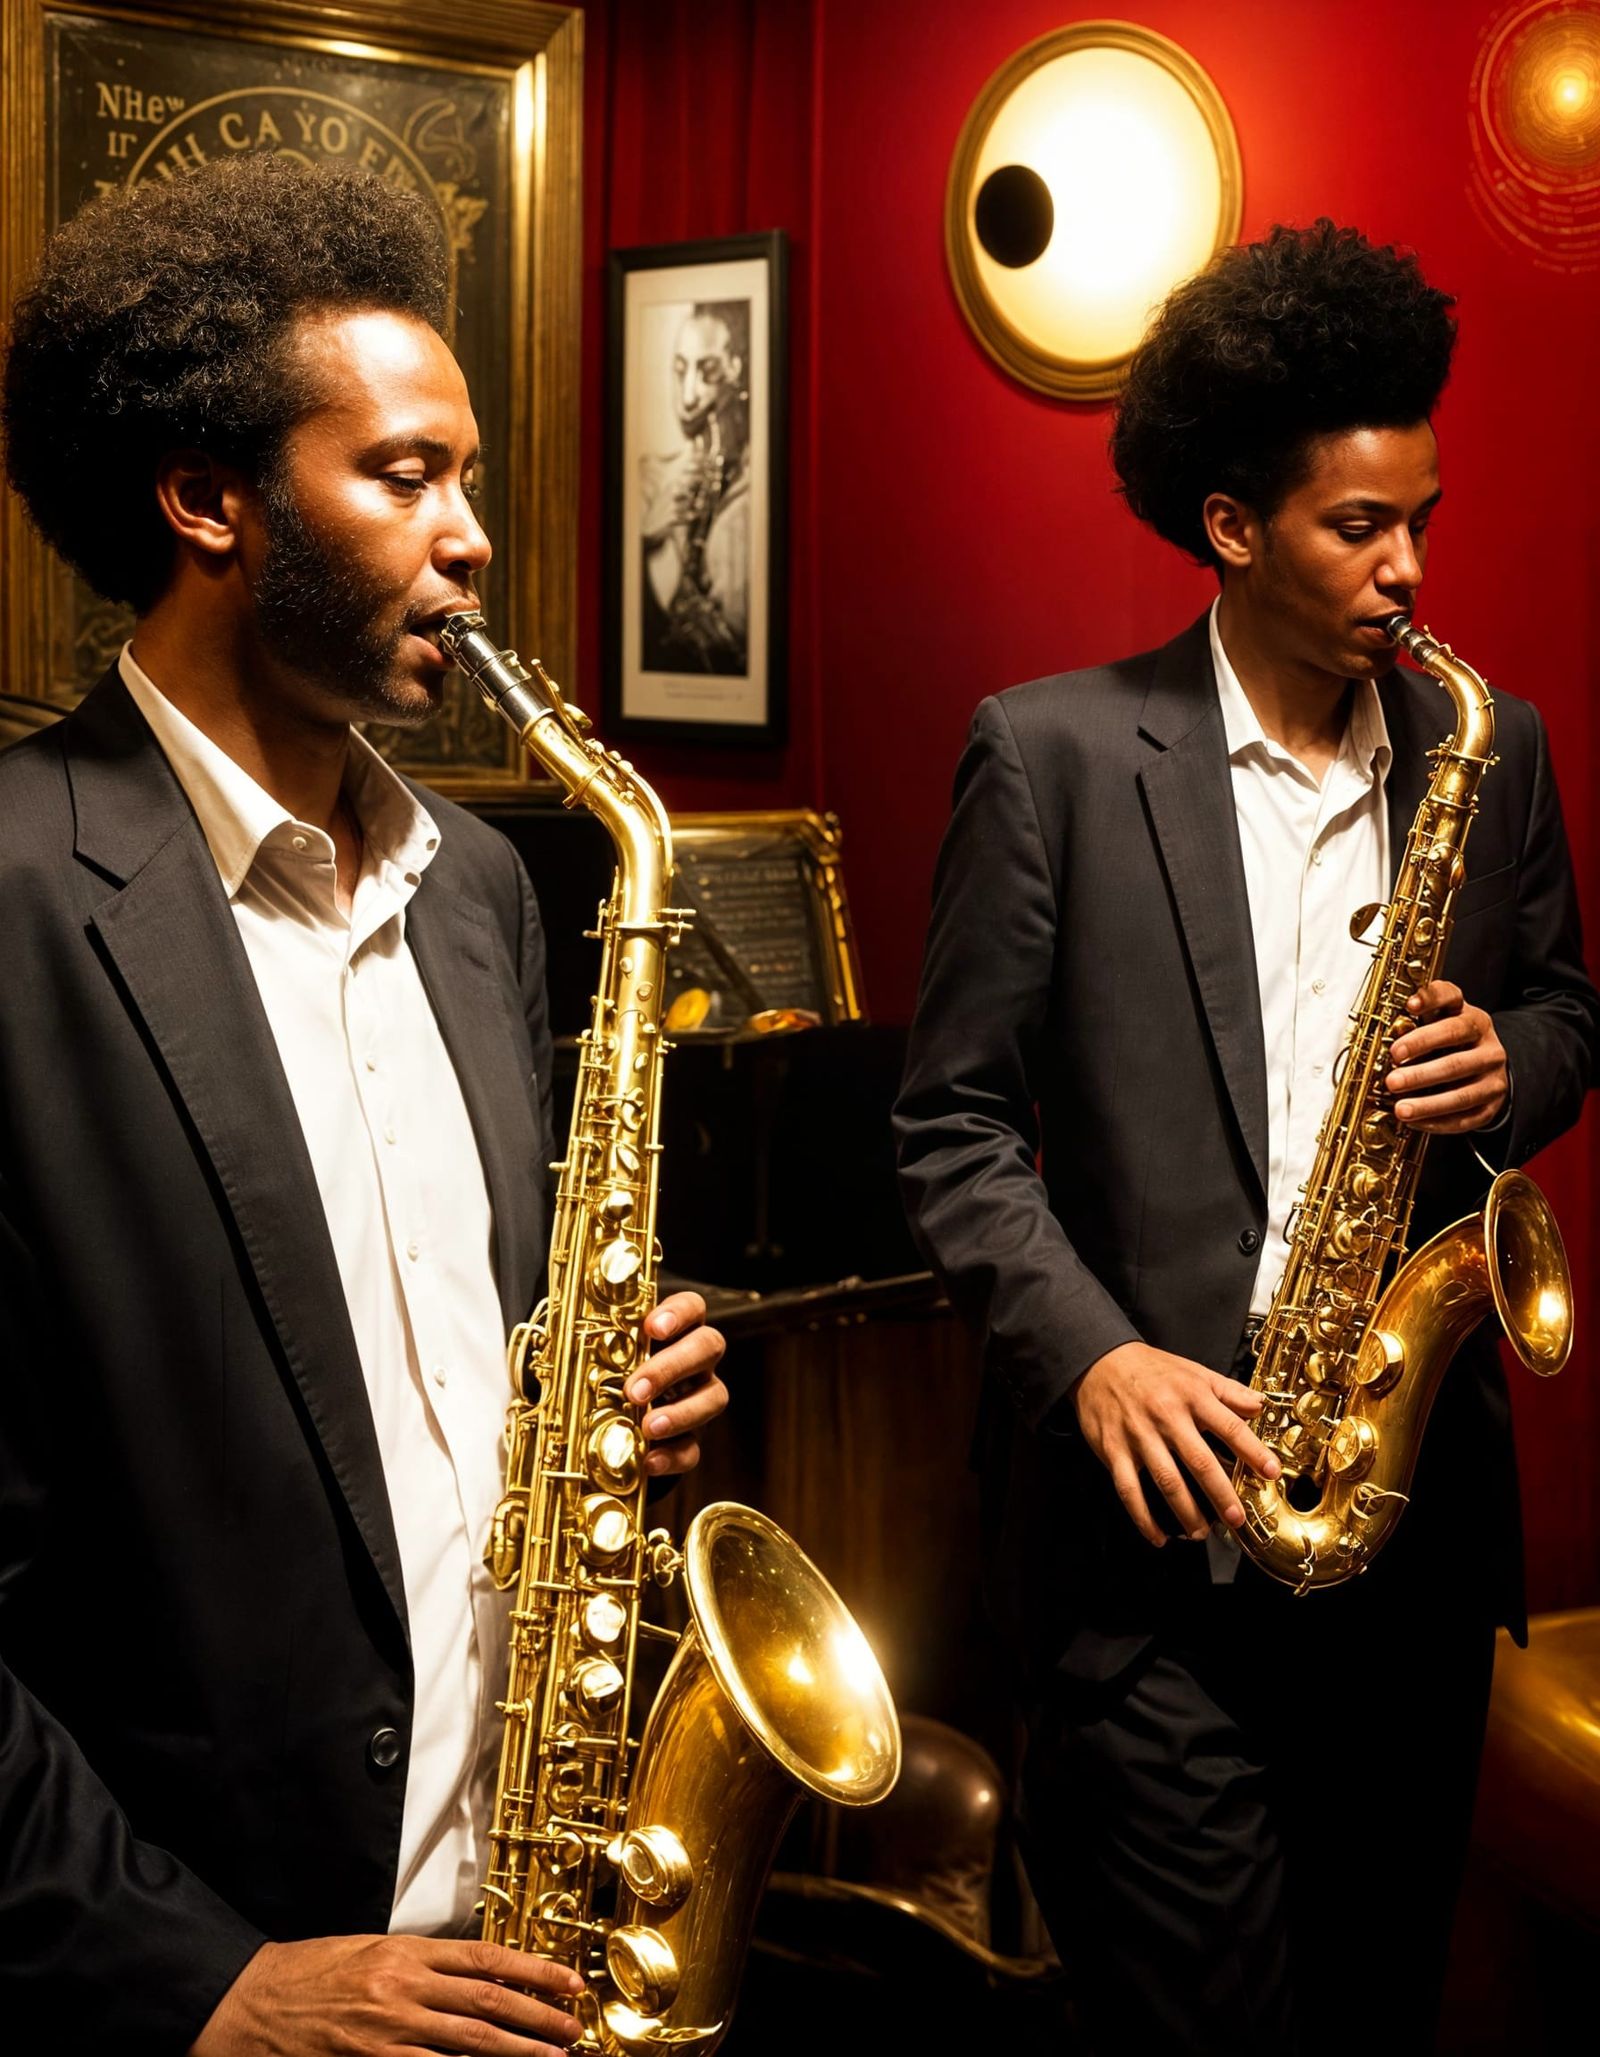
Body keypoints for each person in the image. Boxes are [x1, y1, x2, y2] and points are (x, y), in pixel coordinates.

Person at [0, 154, 729, 2054]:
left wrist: (586, 1396)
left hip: (513, 1924)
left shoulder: (483, 891)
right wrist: (200, 1977)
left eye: (466, 475)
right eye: (402, 475)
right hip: (215, 1977)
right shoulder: (6, 900)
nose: (470, 533)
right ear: (207, 501)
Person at [894, 220, 1597, 2056]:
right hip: (1153, 1558)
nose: (1409, 567)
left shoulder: (1486, 747)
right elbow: (950, 1127)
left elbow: (1573, 1016)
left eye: (1420, 516)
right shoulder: (1046, 757)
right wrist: (1099, 1355)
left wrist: (1503, 1065)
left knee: (1376, 2010)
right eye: (1358, 527)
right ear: (1229, 526)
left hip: (1406, 1536)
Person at [639, 302, 750, 673]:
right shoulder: (651, 477)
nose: (688, 398)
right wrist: (647, 535)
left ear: (736, 369)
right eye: (680, 370)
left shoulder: (751, 483)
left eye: (708, 372)